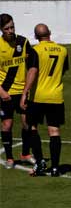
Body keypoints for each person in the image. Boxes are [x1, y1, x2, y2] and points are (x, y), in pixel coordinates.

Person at [27, 24, 68, 177]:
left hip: (38, 96)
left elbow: (33, 71)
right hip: (56, 96)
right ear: (50, 33)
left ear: (36, 36)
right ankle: (56, 168)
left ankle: (39, 163)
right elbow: (63, 70)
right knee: (54, 131)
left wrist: (25, 92)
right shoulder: (63, 50)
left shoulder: (35, 51)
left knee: (32, 127)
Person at [0, 13, 38, 169]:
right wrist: (1, 91)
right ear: (1, 30)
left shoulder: (23, 42)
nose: (11, 30)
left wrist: (27, 89)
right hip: (5, 93)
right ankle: (9, 157)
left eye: (12, 27)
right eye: (7, 28)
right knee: (7, 125)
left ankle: (25, 153)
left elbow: (32, 66)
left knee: (26, 123)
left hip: (22, 92)